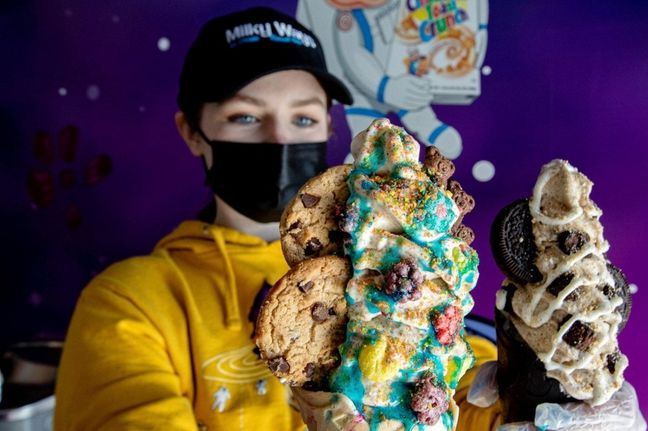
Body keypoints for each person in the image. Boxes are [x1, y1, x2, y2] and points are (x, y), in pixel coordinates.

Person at [53, 6, 499, 430]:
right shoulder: (129, 301)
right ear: (192, 131)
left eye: (303, 118)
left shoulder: (397, 270)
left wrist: (519, 402)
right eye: (245, 116)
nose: (278, 137)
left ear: (327, 127)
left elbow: (460, 392)